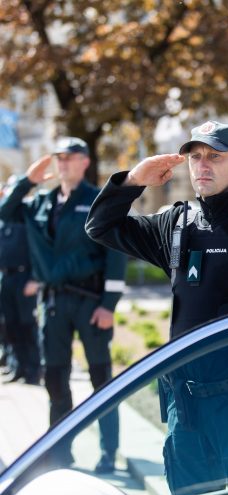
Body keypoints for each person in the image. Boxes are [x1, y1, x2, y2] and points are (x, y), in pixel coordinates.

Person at [85, 120, 228, 495]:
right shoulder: (177, 223)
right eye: (195, 157)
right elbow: (100, 226)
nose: (202, 166)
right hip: (185, 408)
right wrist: (134, 180)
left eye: (214, 157)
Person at [0, 137, 127, 474]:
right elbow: (5, 212)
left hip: (90, 302)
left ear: (85, 161)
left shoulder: (97, 200)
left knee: (102, 381)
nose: (63, 163)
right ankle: (59, 451)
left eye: (70, 157)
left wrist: (109, 305)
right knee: (55, 378)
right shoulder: (40, 202)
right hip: (53, 302)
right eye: (59, 158)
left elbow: (115, 255)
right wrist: (28, 180)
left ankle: (108, 452)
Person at [0, 177, 41, 385]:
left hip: (25, 278)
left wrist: (35, 279)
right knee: (11, 326)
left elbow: (37, 251)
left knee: (27, 326)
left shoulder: (28, 214)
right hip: (6, 279)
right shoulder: (5, 217)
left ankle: (34, 371)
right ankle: (19, 367)